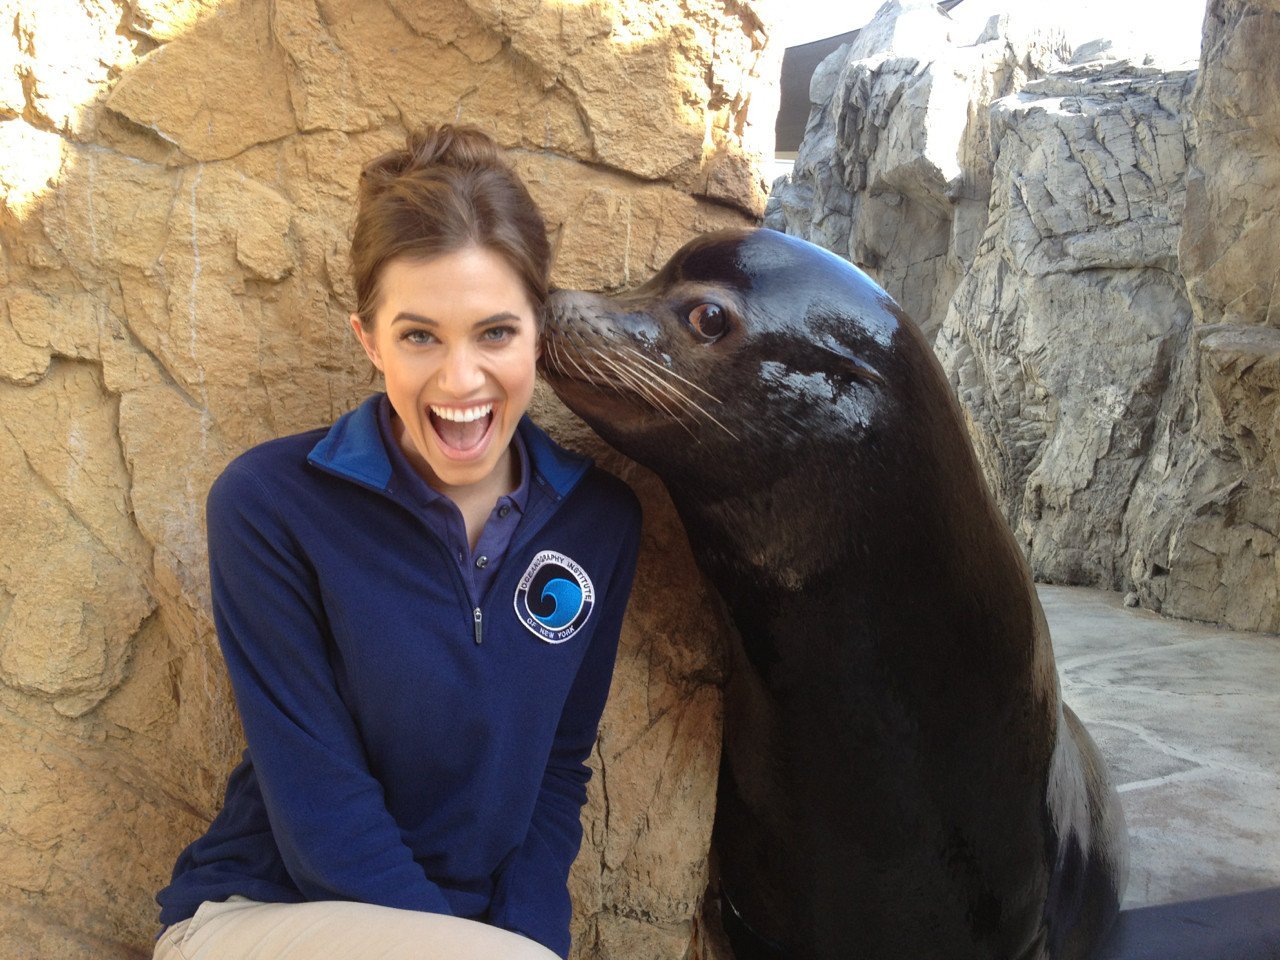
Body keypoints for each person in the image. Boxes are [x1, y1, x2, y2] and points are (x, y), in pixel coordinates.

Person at [152, 125, 643, 960]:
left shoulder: (599, 523)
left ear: (539, 332)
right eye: (420, 336)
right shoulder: (269, 505)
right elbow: (322, 815)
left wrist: (532, 945)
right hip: (262, 917)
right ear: (369, 340)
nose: (461, 379)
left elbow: (557, 772)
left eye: (495, 333)